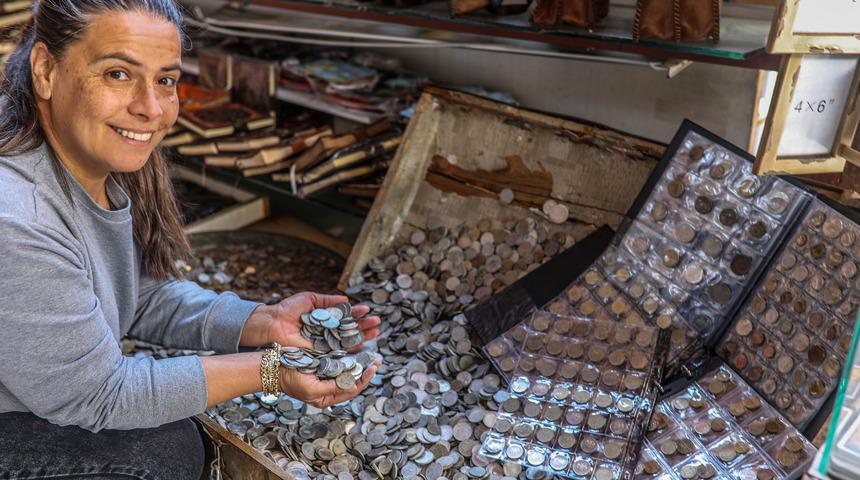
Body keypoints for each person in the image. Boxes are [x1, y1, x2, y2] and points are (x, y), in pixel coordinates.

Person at [0, 1, 382, 478]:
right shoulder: (16, 218)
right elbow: (98, 394)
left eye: (165, 80)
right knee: (163, 451)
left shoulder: (90, 161)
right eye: (118, 74)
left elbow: (135, 295)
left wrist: (262, 321)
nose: (151, 108)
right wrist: (271, 371)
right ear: (45, 70)